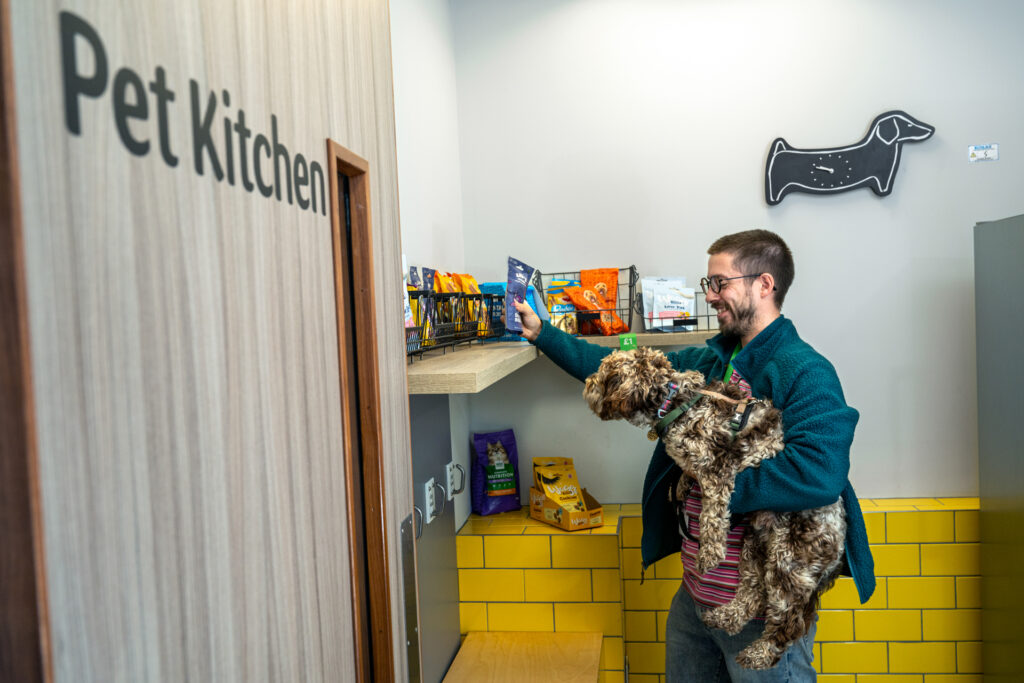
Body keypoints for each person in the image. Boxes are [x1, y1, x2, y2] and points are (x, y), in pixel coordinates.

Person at [512, 229, 874, 682]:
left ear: (764, 285)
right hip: (696, 600)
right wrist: (543, 334)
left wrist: (715, 484)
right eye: (709, 285)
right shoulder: (708, 362)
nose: (712, 296)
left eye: (720, 283)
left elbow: (820, 472)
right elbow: (625, 372)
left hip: (760, 609)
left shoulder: (806, 370)